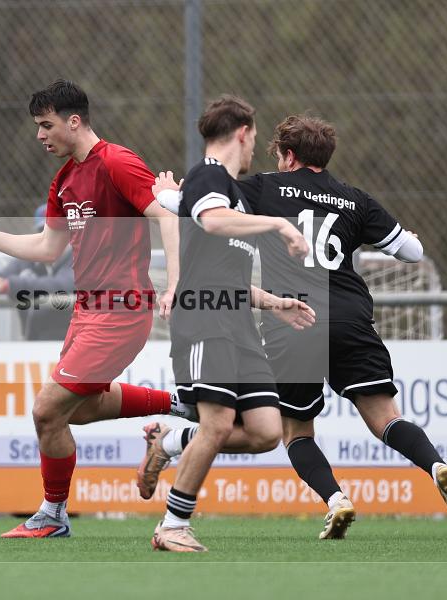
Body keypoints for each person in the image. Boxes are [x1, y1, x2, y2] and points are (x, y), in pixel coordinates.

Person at [143, 114, 447, 539]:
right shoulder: (354, 198)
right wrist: (407, 236)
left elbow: (199, 209)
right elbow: (412, 252)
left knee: (294, 431)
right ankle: (437, 466)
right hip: (350, 317)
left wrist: (170, 194)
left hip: (293, 319)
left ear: (288, 155)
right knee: (385, 419)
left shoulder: (264, 187)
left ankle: (336, 500)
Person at [0, 79, 183, 539]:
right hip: (87, 311)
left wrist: (174, 283)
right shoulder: (64, 179)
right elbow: (46, 246)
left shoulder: (117, 162)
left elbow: (166, 216)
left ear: (74, 121)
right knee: (76, 410)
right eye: (38, 126)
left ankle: (53, 514)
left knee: (45, 411)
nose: (40, 135)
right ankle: (181, 402)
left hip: (120, 311)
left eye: (47, 124)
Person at [149, 95, 311, 553]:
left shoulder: (236, 193)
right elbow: (212, 221)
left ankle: (173, 439)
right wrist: (278, 225)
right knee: (217, 423)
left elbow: (227, 274)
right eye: (255, 136)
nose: (255, 143)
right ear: (243, 131)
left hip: (239, 323)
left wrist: (273, 302)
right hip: (204, 322)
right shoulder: (209, 176)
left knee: (265, 432)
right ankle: (172, 526)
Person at [0, 205, 74, 340]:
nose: (52, 240)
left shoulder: (81, 257)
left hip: (76, 346)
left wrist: (8, 285)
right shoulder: (29, 260)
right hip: (34, 349)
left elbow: (64, 285)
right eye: (45, 233)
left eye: (58, 232)